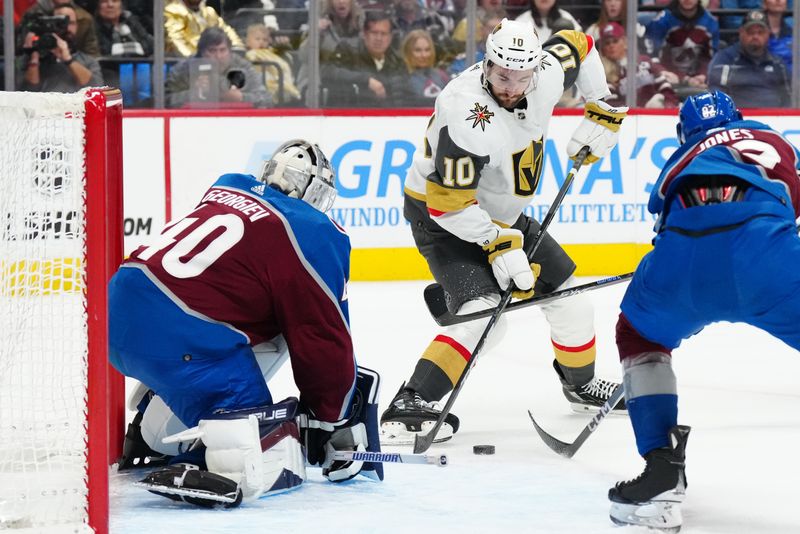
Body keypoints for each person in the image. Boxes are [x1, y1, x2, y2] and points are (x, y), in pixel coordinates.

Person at [380, 18, 628, 444]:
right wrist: (496, 244)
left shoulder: (546, 72)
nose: (511, 86)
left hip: (503, 214)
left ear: (535, 68)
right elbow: (448, 204)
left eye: (521, 76)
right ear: (487, 63)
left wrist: (600, 104)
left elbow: (582, 44)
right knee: (485, 314)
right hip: (441, 217)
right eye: (501, 75)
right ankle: (410, 404)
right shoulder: (467, 112)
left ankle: (580, 385)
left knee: (571, 299)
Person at [109, 139, 384, 507]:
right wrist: (330, 418)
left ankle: (149, 435)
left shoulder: (229, 187)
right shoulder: (310, 228)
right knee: (273, 451)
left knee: (244, 323)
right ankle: (209, 459)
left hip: (113, 315)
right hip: (179, 338)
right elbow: (322, 336)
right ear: (315, 191)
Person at [607, 90, 800, 531]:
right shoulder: (772, 139)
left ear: (684, 132)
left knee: (640, 336)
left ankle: (661, 467)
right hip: (767, 253)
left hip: (684, 258)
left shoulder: (679, 158)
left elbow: (664, 223)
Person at [165, 27, 271, 108]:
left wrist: (241, 98)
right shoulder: (184, 69)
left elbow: (267, 100)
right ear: (201, 52)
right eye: (212, 51)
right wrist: (194, 94)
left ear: (230, 51)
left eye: (222, 50)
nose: (218, 56)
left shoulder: (242, 67)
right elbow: (164, 102)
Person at [319, 10, 406, 107]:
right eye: (374, 32)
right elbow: (327, 72)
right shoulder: (347, 50)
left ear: (390, 37)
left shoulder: (397, 61)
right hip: (349, 116)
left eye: (383, 34)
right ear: (364, 34)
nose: (379, 38)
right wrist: (365, 80)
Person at [707, 10, 790, 107]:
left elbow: (789, 98)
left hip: (777, 118)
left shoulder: (778, 64)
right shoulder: (725, 59)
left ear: (768, 34)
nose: (755, 36)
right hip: (738, 118)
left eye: (760, 32)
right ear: (741, 32)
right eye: (750, 32)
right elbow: (715, 96)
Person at [19, 3, 104, 92]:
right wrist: (34, 57)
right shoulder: (34, 59)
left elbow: (97, 89)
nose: (67, 28)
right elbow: (26, 91)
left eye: (71, 23)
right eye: (60, 23)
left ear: (77, 26)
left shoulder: (88, 61)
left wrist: (68, 60)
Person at [645, 0, 720, 97]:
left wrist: (703, 75)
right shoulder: (661, 22)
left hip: (699, 83)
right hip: (668, 80)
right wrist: (682, 78)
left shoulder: (710, 22)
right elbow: (651, 56)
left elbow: (712, 58)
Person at [598, 22, 680, 108]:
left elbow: (666, 89)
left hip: (659, 116)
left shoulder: (644, 62)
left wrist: (666, 105)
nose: (611, 46)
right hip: (629, 118)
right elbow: (612, 105)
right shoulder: (604, 76)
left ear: (625, 42)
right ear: (603, 49)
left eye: (615, 41)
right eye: (607, 43)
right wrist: (641, 111)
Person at [244, 23, 302, 104]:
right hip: (262, 82)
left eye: (265, 40)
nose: (261, 42)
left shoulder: (271, 52)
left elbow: (285, 57)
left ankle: (289, 93)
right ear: (248, 42)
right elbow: (251, 57)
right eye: (257, 39)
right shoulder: (251, 53)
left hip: (277, 79)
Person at [164, 0, 243, 57]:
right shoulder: (174, 11)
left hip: (215, 60)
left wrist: (238, 48)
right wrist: (197, 59)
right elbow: (175, 40)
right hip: (187, 65)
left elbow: (226, 31)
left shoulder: (209, 12)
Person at [399, 29, 450, 106]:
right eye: (418, 50)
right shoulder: (400, 79)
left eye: (427, 50)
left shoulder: (442, 76)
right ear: (408, 52)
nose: (424, 55)